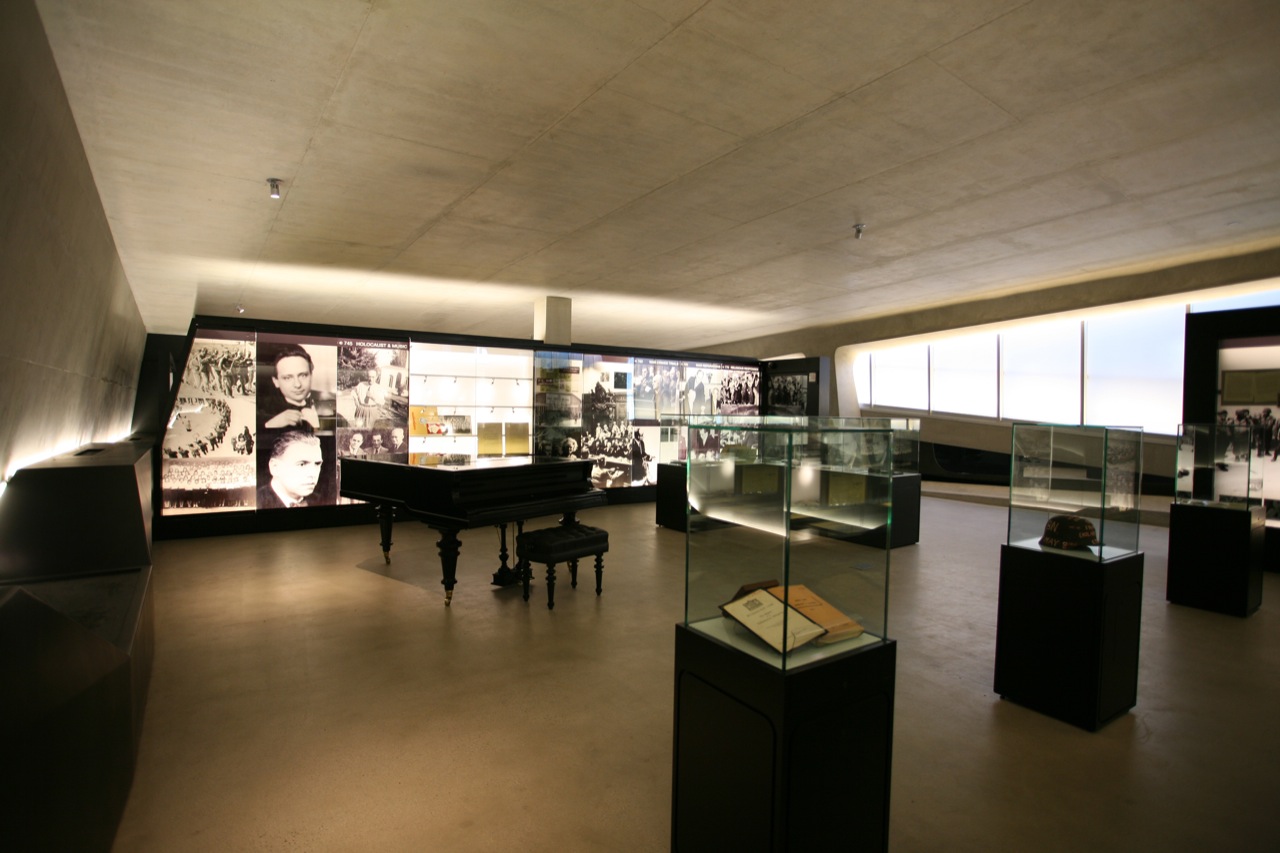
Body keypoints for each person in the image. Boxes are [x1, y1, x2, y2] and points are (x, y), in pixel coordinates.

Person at [261, 344, 336, 431]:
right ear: (276, 381)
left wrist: (318, 426)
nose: (297, 384)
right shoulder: (263, 412)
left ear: (311, 375)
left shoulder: (331, 402)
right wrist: (270, 425)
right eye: (287, 378)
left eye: (303, 375)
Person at [257, 430, 324, 509]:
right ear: (275, 467)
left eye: (317, 464)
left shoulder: (322, 500)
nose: (313, 473)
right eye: (302, 464)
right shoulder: (256, 503)